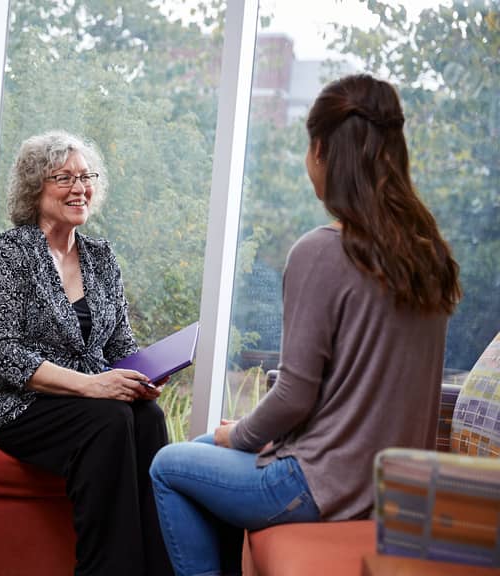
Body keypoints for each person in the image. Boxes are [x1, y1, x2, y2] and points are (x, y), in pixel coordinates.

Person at [149, 74, 462, 576]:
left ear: (322, 152)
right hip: (389, 486)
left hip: (322, 485)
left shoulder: (321, 250)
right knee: (204, 447)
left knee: (168, 466)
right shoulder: (428, 258)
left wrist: (243, 436)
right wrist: (241, 437)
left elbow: (295, 394)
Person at [0, 130, 174, 575]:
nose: (80, 188)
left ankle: (158, 567)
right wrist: (93, 386)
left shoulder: (101, 256)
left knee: (148, 417)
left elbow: (119, 344)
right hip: (11, 401)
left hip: (79, 397)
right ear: (36, 188)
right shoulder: (8, 252)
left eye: (86, 177)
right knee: (109, 420)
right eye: (64, 178)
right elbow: (1, 352)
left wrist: (145, 373)